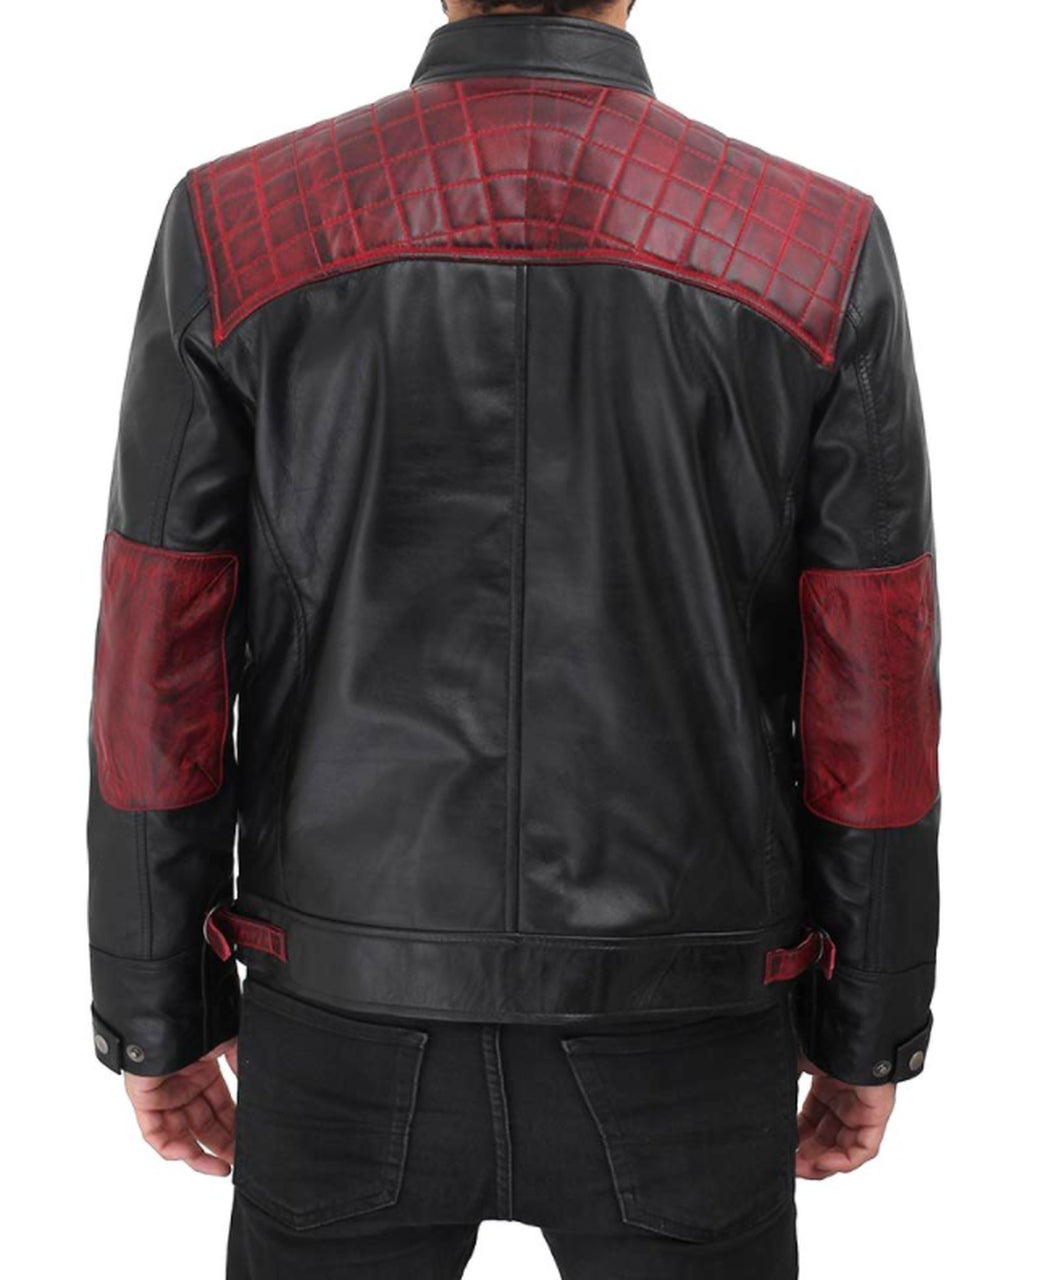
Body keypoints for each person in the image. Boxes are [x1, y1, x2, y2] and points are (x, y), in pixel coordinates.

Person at [84, 1, 941, 1276]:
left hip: (343, 1021)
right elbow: (879, 695)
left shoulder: (240, 226)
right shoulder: (811, 246)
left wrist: (154, 1006)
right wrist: (869, 1020)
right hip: (686, 1029)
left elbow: (155, 672)